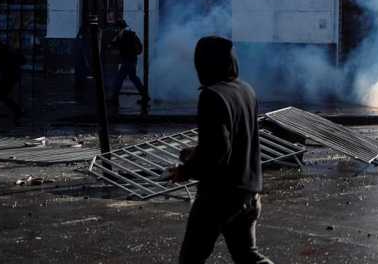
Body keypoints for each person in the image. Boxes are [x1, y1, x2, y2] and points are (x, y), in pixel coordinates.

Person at [168, 36, 274, 264]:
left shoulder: (212, 95)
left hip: (219, 196)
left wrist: (185, 170)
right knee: (248, 256)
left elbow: (217, 152)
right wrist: (193, 153)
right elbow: (233, 140)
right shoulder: (247, 90)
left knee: (191, 259)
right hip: (248, 191)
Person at [109, 20, 149, 105]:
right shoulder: (130, 34)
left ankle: (114, 98)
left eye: (116, 28)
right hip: (132, 60)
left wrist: (114, 42)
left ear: (119, 27)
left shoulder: (124, 35)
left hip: (127, 60)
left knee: (119, 78)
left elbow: (117, 45)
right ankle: (145, 95)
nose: (115, 29)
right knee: (133, 78)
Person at [0, 36, 24, 120]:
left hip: (8, 76)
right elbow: (21, 60)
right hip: (12, 75)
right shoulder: (6, 48)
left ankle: (17, 111)